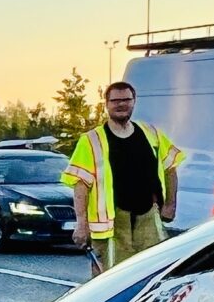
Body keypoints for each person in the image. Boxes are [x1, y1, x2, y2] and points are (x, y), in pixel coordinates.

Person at [67, 79, 181, 271]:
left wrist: (170, 205)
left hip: (148, 217)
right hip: (112, 223)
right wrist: (81, 224)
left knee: (152, 272)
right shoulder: (91, 140)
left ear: (134, 101)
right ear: (106, 104)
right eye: (115, 100)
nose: (121, 104)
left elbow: (171, 168)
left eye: (126, 99)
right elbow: (80, 185)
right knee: (112, 280)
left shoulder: (150, 133)